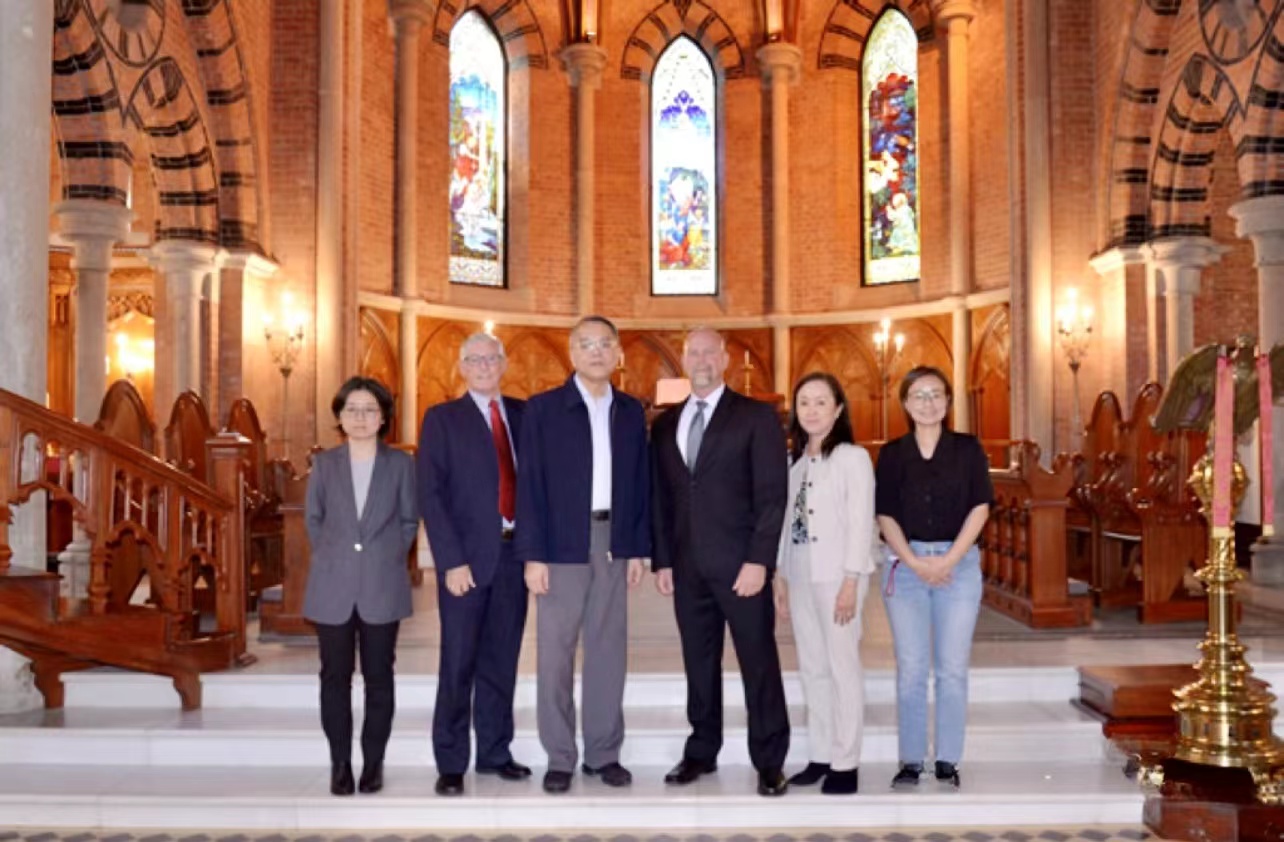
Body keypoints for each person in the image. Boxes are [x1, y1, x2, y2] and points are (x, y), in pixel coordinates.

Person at [650, 327, 791, 797]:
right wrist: (663, 560)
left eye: (711, 351)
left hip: (740, 567)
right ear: (684, 360)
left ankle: (770, 760)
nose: (702, 358)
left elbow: (773, 497)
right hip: (687, 568)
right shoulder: (665, 425)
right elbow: (662, 499)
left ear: (727, 360)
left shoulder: (756, 417)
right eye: (694, 351)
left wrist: (759, 562)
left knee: (758, 662)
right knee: (698, 663)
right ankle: (701, 749)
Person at [514, 315, 651, 794]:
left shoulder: (631, 410)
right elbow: (528, 485)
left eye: (605, 344)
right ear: (571, 354)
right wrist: (532, 555)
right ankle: (560, 756)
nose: (596, 352)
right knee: (555, 654)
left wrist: (636, 546)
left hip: (613, 540)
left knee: (608, 651)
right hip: (560, 544)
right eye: (586, 344)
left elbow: (639, 483)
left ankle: (603, 753)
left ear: (618, 354)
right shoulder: (544, 409)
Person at [418, 332, 531, 797]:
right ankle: (450, 761)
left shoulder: (525, 415)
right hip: (465, 561)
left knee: (501, 660)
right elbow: (431, 492)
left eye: (492, 358)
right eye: (475, 359)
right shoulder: (442, 419)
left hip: (514, 556)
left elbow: (538, 487)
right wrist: (451, 560)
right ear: (461, 367)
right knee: (458, 662)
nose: (484, 365)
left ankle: (494, 753)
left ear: (504, 364)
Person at [875, 366, 993, 790]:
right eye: (919, 394)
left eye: (936, 394)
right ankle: (910, 760)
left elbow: (981, 506)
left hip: (957, 569)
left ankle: (947, 759)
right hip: (904, 569)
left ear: (947, 401)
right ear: (905, 403)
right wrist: (913, 561)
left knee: (951, 669)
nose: (928, 402)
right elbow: (885, 513)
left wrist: (947, 561)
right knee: (910, 668)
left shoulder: (967, 449)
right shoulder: (891, 453)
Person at [303, 376, 419, 796]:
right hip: (332, 587)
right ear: (339, 416)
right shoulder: (325, 464)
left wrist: (384, 557)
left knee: (378, 677)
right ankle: (339, 764)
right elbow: (313, 519)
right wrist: (339, 557)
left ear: (383, 416)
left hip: (381, 585)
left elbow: (409, 520)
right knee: (334, 677)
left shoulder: (401, 465)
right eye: (352, 409)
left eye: (370, 409)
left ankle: (373, 763)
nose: (361, 417)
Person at [774, 373, 875, 795]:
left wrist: (851, 580)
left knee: (841, 667)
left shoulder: (851, 458)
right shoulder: (795, 464)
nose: (812, 410)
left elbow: (860, 522)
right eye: (804, 403)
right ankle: (819, 754)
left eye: (821, 402)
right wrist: (780, 575)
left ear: (838, 409)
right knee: (812, 667)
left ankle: (846, 761)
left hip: (838, 575)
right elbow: (785, 526)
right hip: (799, 572)